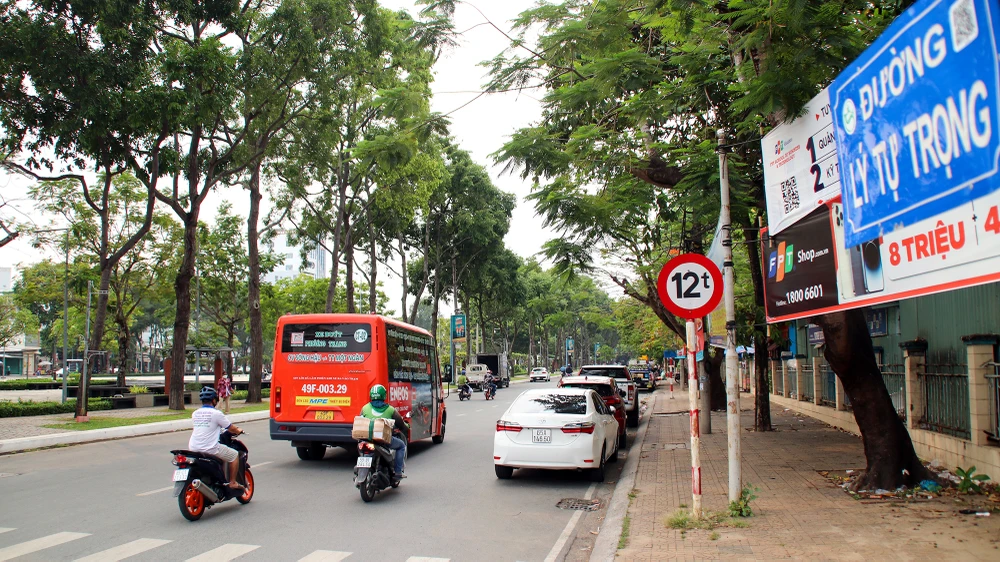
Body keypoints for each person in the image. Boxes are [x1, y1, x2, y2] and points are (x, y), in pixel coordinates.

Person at [189, 387, 244, 490]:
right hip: (210, 448)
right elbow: (231, 428)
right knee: (234, 455)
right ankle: (232, 482)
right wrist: (239, 430)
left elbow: (206, 427)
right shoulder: (216, 414)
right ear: (214, 400)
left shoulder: (195, 413)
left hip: (193, 447)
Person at [360, 384, 409, 482]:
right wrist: (406, 427)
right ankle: (398, 472)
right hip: (383, 440)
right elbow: (400, 424)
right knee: (401, 446)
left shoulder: (365, 408)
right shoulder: (390, 409)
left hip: (367, 439)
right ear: (384, 396)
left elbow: (361, 421)